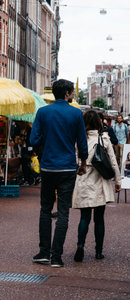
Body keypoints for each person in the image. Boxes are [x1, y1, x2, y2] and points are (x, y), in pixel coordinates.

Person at [30, 79, 88, 268]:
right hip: (68, 168)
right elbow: (82, 142)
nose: (72, 95)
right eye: (72, 93)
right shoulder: (76, 114)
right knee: (63, 212)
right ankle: (57, 257)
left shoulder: (43, 112)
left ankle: (44, 252)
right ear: (67, 94)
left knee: (45, 209)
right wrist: (83, 162)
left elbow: (34, 138)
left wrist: (43, 149)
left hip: (48, 167)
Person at [72, 110, 121, 262]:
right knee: (99, 219)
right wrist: (118, 181)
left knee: (84, 217)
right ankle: (98, 252)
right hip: (99, 178)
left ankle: (80, 246)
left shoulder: (79, 138)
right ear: (98, 123)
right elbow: (113, 161)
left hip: (83, 176)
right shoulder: (104, 138)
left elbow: (74, 159)